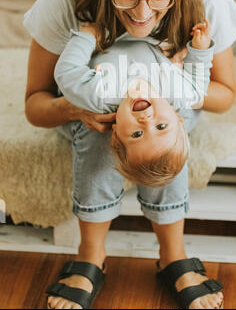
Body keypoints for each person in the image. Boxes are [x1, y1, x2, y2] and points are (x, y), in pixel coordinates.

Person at [23, 0, 236, 310]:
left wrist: (173, 103)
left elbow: (223, 94)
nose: (143, 14)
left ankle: (173, 254)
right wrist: (78, 108)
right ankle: (91, 256)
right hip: (89, 109)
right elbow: (36, 105)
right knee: (101, 139)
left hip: (172, 102)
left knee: (164, 149)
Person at [53, 18, 214, 187]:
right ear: (178, 118)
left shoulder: (101, 96)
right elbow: (198, 85)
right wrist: (199, 49)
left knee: (93, 140)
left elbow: (67, 74)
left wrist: (88, 36)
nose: (146, 121)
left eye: (137, 134)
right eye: (161, 127)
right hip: (150, 26)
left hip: (108, 28)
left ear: (115, 134)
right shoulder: (178, 92)